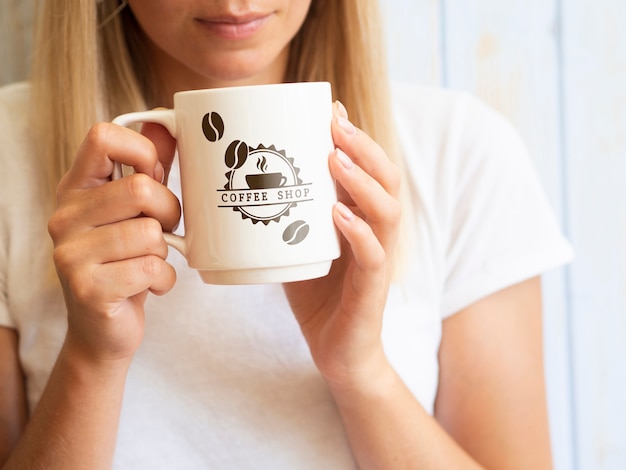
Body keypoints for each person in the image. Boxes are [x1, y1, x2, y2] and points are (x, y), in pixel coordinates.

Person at [0, 0, 573, 468]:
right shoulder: (9, 154)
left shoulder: (461, 153)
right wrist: (91, 360)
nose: (233, 2)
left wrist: (361, 370)